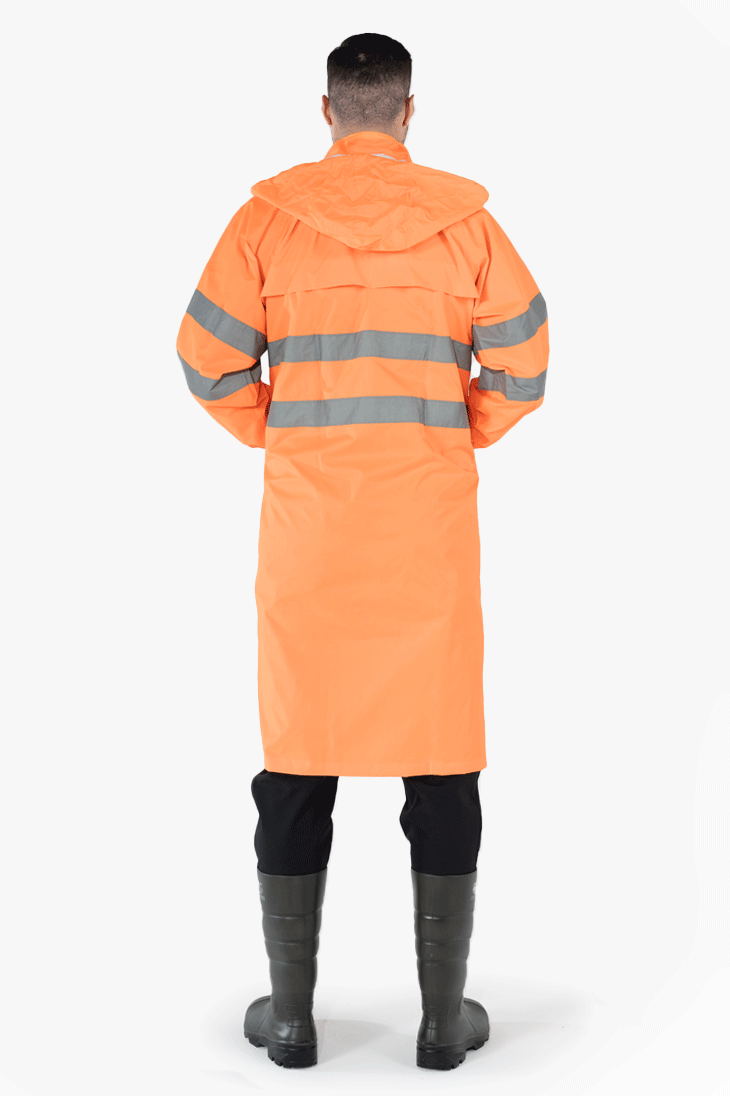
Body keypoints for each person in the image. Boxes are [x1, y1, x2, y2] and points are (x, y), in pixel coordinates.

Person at [176, 32, 549, 1072]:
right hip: (427, 529)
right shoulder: (467, 227)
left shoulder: (265, 223)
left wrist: (279, 430)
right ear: (409, 111)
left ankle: (292, 1022)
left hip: (311, 532)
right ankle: (441, 1023)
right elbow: (524, 363)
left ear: (327, 109)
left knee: (298, 758)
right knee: (442, 759)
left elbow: (206, 361)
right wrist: (458, 428)